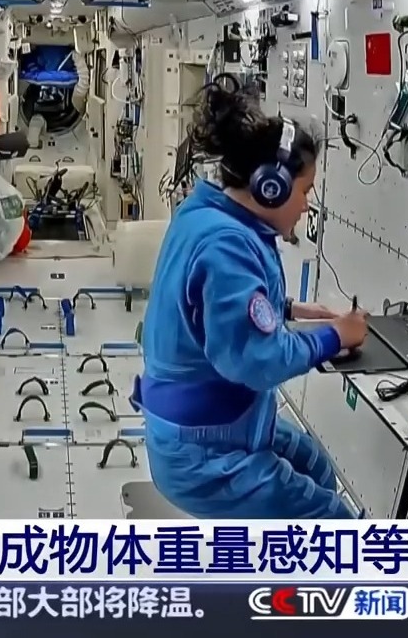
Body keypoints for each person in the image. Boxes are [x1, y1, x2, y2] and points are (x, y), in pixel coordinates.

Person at [139, 74, 369, 519]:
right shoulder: (226, 244)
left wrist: (288, 309)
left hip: (212, 423)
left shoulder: (208, 215)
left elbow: (208, 308)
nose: (306, 205)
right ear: (271, 187)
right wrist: (335, 337)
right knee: (333, 520)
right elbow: (258, 362)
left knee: (315, 466)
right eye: (304, 191)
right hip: (205, 454)